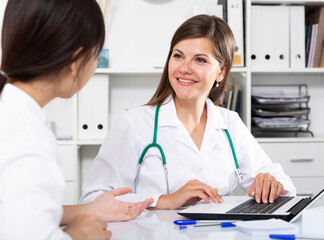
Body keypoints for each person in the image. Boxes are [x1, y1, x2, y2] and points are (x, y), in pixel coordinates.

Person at [80, 14, 296, 210]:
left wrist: (271, 184)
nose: (184, 68)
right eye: (178, 56)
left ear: (220, 72)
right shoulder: (134, 124)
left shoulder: (229, 123)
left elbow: (285, 185)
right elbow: (92, 199)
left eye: (200, 59)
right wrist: (164, 200)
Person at [0, 0, 153, 239]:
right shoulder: (28, 138)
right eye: (96, 54)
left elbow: (12, 211)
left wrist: (89, 209)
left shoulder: (11, 113)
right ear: (75, 60)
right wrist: (80, 235)